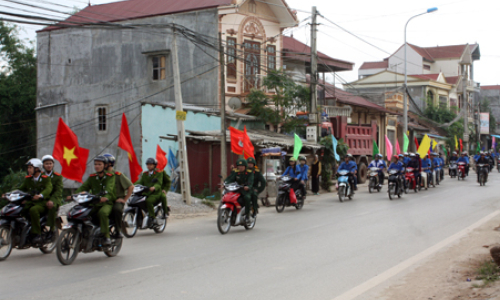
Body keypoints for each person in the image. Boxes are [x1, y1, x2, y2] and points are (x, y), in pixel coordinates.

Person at [72, 156, 115, 246]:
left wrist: (105, 197)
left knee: (102, 213)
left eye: (99, 164)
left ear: (105, 165)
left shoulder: (110, 176)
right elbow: (84, 187)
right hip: (94, 203)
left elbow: (109, 189)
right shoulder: (92, 177)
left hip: (106, 203)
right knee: (82, 213)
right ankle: (85, 233)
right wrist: (74, 195)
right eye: (95, 164)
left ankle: (106, 236)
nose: (97, 166)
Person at [17, 158, 53, 244]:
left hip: (42, 203)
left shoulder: (45, 179)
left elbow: (48, 188)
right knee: (19, 209)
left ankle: (37, 234)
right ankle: (22, 230)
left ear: (37, 169)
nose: (28, 170)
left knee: (33, 210)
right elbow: (21, 188)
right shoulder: (28, 179)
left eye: (30, 168)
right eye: (28, 168)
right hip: (31, 202)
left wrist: (41, 195)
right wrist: (11, 194)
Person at [103, 153, 134, 238]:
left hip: (116, 200)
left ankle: (118, 230)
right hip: (104, 200)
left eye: (103, 163)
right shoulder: (101, 175)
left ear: (109, 164)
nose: (101, 165)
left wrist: (124, 200)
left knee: (116, 209)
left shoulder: (118, 175)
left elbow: (131, 187)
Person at [135, 158, 164, 226]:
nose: (149, 166)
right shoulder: (145, 174)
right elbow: (141, 182)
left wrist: (154, 187)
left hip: (155, 193)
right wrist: (132, 185)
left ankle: (153, 218)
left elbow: (158, 183)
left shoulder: (158, 173)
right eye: (148, 165)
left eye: (151, 165)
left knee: (149, 201)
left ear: (154, 165)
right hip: (146, 192)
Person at [41, 155, 63, 240]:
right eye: (46, 163)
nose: (49, 165)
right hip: (43, 199)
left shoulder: (57, 176)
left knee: (52, 207)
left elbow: (58, 191)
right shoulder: (40, 176)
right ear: (43, 165)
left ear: (53, 165)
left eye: (50, 163)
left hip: (54, 199)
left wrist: (52, 200)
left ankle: (52, 230)